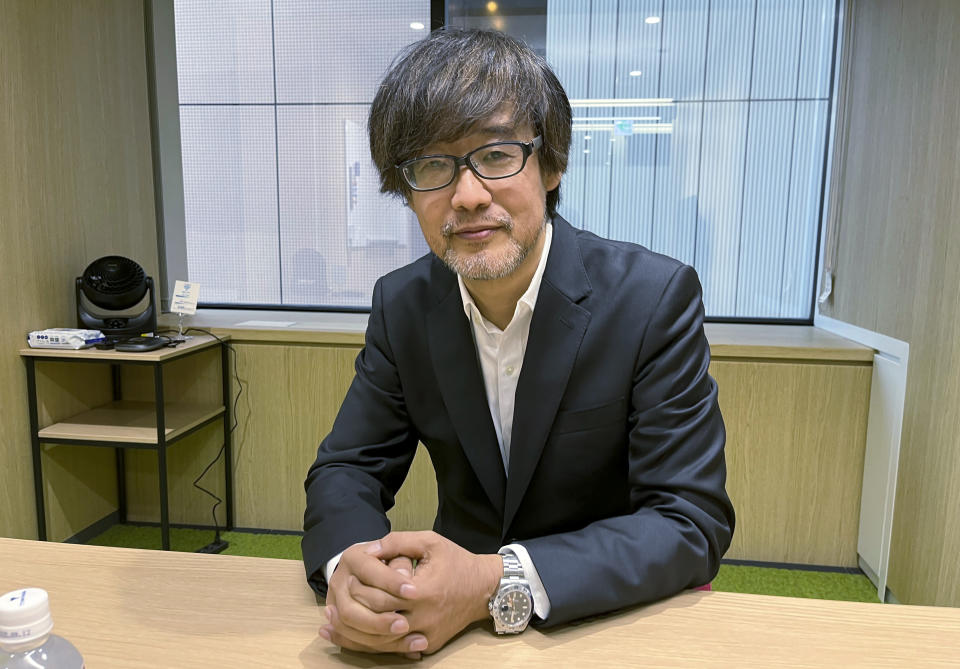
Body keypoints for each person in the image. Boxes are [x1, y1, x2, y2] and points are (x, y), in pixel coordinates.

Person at [302, 28, 734, 658]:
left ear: (552, 164)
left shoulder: (651, 299)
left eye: (498, 154)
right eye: (432, 166)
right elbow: (349, 467)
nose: (468, 195)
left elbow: (689, 521)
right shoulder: (403, 304)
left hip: (607, 624)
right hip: (449, 637)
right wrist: (354, 569)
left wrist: (492, 581)